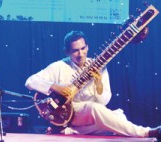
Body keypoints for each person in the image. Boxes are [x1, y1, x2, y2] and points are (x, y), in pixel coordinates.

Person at [25, 31, 161, 139]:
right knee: (98, 111)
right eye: (75, 50)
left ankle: (71, 131)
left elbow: (104, 101)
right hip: (69, 112)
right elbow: (30, 81)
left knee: (118, 118)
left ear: (88, 46)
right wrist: (54, 87)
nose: (80, 54)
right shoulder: (59, 66)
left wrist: (98, 82)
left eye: (83, 48)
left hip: (91, 115)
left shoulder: (98, 65)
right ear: (67, 52)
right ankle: (146, 132)